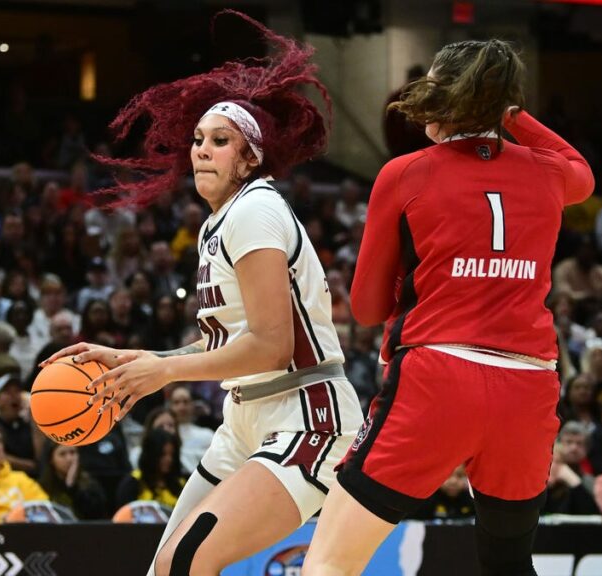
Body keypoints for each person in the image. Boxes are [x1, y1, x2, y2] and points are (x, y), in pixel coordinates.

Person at [44, 12, 363, 575]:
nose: (201, 150)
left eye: (220, 141)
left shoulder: (258, 209)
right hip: (246, 419)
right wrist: (144, 360)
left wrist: (163, 375)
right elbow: (231, 340)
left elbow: (269, 345)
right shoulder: (220, 221)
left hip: (305, 416)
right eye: (197, 140)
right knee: (166, 569)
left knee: (189, 562)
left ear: (251, 157)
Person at [303, 38, 594, 576]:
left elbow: (366, 309)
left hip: (438, 378)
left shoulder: (406, 173)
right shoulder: (551, 174)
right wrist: (511, 114)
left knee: (328, 564)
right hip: (529, 385)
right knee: (508, 564)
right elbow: (580, 167)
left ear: (442, 94)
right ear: (505, 106)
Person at [116, 428, 186, 509]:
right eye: (163, 454)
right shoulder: (133, 482)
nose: (169, 459)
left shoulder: (180, 483)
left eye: (172, 454)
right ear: (152, 454)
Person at [37, 441, 108, 521]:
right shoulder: (42, 486)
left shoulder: (90, 484)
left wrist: (72, 486)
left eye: (73, 452)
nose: (69, 459)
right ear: (51, 459)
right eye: (62, 454)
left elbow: (96, 515)